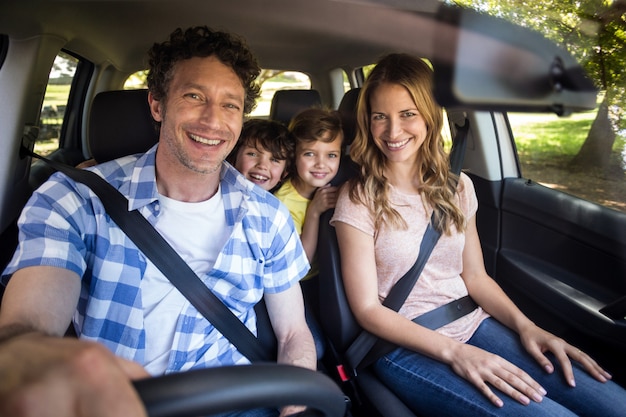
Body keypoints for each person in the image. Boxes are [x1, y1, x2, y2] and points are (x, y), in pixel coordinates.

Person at [0, 26, 315, 417]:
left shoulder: (268, 216)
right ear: (157, 104)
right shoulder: (75, 199)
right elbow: (30, 321)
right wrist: (25, 357)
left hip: (234, 402)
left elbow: (293, 334)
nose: (213, 120)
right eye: (194, 96)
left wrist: (295, 410)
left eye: (230, 105)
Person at [330, 52, 626, 417]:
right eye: (380, 117)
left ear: (430, 113)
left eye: (408, 114)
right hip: (403, 347)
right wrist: (457, 353)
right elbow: (367, 310)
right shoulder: (357, 198)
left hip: (474, 324)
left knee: (613, 402)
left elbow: (475, 277)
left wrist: (528, 327)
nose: (393, 132)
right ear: (367, 120)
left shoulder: (458, 187)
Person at [274, 108, 342, 281]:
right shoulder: (282, 204)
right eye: (309, 154)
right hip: (301, 283)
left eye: (331, 155)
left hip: (331, 276)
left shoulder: (344, 184)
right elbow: (300, 266)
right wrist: (313, 212)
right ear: (294, 155)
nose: (321, 164)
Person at [227, 118, 293, 192]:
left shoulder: (280, 202)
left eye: (275, 159)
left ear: (284, 173)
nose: (262, 166)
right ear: (232, 158)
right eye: (252, 154)